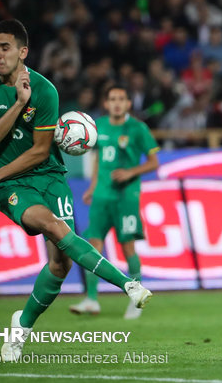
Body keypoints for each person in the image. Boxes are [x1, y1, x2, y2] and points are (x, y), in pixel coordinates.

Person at [0, 19, 152, 361]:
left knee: (60, 265)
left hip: (50, 176)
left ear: (23, 51)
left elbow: (39, 151)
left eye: (5, 47)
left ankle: (21, 325)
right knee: (53, 225)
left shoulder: (45, 90)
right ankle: (128, 284)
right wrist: (19, 105)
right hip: (11, 183)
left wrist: (27, 100)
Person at [69, 84, 160, 319]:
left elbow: (154, 162)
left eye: (121, 99)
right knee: (93, 245)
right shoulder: (99, 126)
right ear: (106, 104)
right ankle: (91, 299)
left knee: (127, 246)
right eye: (112, 99)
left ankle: (136, 298)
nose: (117, 103)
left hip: (126, 196)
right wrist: (91, 187)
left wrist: (130, 173)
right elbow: (99, 158)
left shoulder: (138, 128)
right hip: (101, 195)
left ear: (129, 104)